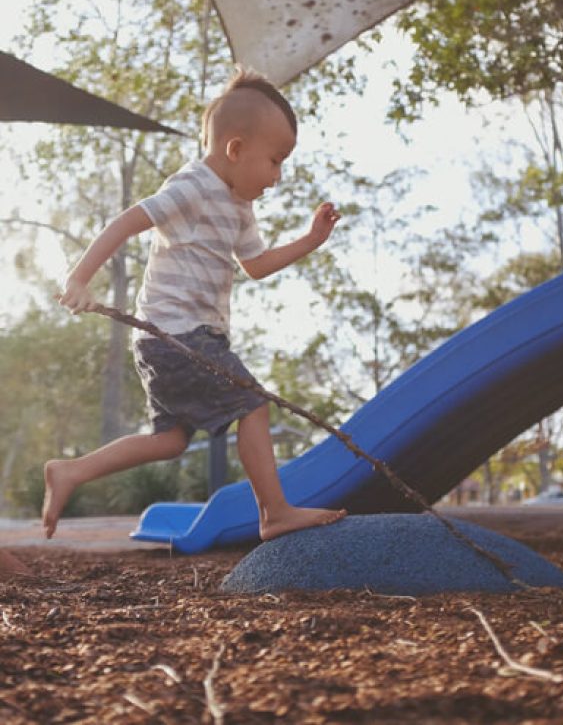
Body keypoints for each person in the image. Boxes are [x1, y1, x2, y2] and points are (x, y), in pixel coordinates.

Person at [43, 67, 347, 541]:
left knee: (169, 441)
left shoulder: (239, 207)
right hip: (176, 334)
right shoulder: (192, 186)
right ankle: (274, 512)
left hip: (176, 339)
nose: (278, 176)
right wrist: (81, 277)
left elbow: (258, 265)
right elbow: (127, 222)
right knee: (254, 404)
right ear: (236, 149)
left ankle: (72, 471)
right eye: (275, 160)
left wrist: (311, 239)